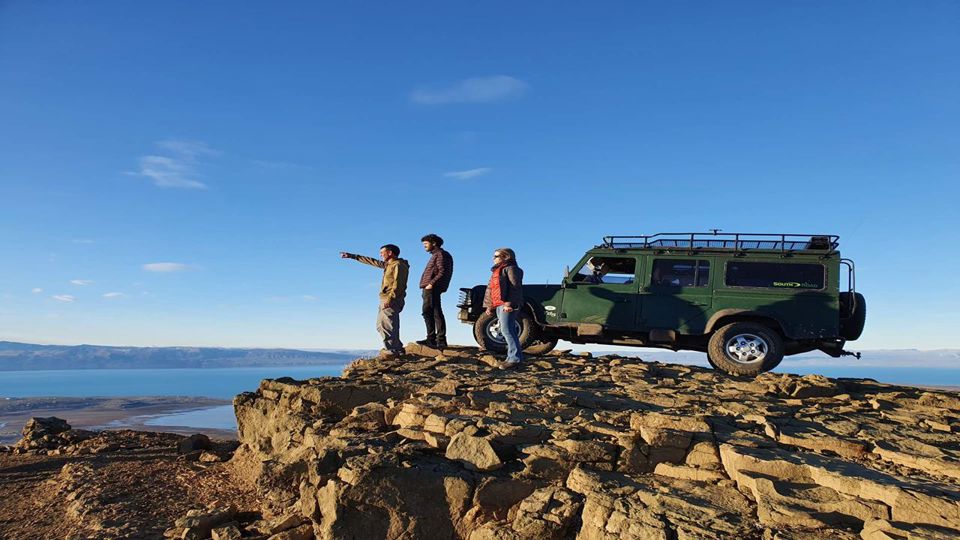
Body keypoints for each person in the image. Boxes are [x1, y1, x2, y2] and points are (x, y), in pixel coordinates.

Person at [340, 244, 409, 359]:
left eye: (382, 252)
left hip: (391, 298)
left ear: (390, 253)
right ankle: (397, 348)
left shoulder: (399, 265)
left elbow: (399, 284)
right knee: (380, 325)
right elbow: (372, 261)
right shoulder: (389, 264)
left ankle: (392, 350)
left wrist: (390, 299)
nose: (380, 255)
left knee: (388, 324)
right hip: (385, 298)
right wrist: (353, 256)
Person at [482, 248, 524, 368]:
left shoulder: (512, 269)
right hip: (499, 304)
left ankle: (514, 358)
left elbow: (515, 287)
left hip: (507, 304)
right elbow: (491, 290)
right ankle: (513, 357)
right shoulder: (497, 271)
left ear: (506, 257)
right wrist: (489, 306)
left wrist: (509, 303)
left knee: (507, 330)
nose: (493, 258)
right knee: (506, 330)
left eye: (496, 256)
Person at [417, 233, 454, 349]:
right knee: (430, 312)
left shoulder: (441, 254)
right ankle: (432, 339)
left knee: (434, 313)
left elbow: (442, 271)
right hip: (430, 287)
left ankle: (439, 340)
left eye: (426, 244)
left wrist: (431, 284)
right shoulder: (436, 255)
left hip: (432, 288)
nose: (424, 246)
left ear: (434, 243)